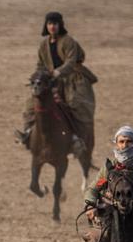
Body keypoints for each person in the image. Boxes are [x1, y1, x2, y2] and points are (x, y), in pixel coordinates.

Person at [17, 12, 96, 152]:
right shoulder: (43, 44)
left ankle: (77, 138)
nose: (52, 26)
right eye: (49, 24)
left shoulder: (68, 41)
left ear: (60, 25)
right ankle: (28, 132)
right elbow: (41, 64)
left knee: (74, 104)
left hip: (72, 79)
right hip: (50, 80)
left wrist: (57, 72)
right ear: (46, 26)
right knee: (32, 104)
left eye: (55, 23)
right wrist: (38, 76)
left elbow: (71, 62)